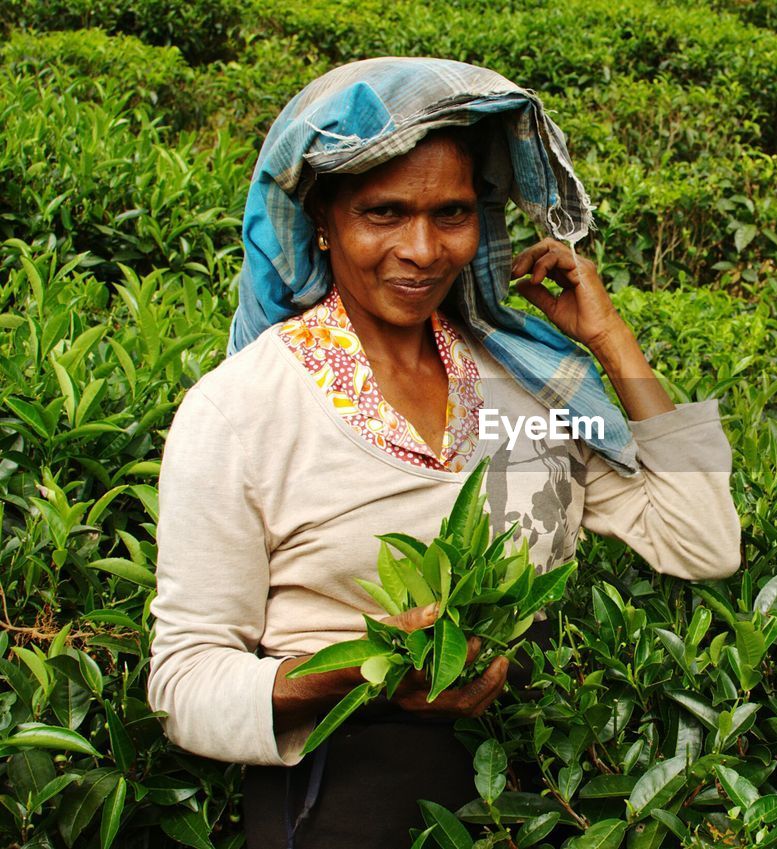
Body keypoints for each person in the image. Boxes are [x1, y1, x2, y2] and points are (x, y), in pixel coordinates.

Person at [146, 57, 741, 848]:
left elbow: (704, 540)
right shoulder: (243, 411)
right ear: (324, 219)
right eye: (383, 213)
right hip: (335, 803)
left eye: (451, 213)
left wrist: (608, 337)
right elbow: (182, 683)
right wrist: (375, 667)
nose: (422, 249)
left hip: (532, 795)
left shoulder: (521, 392)